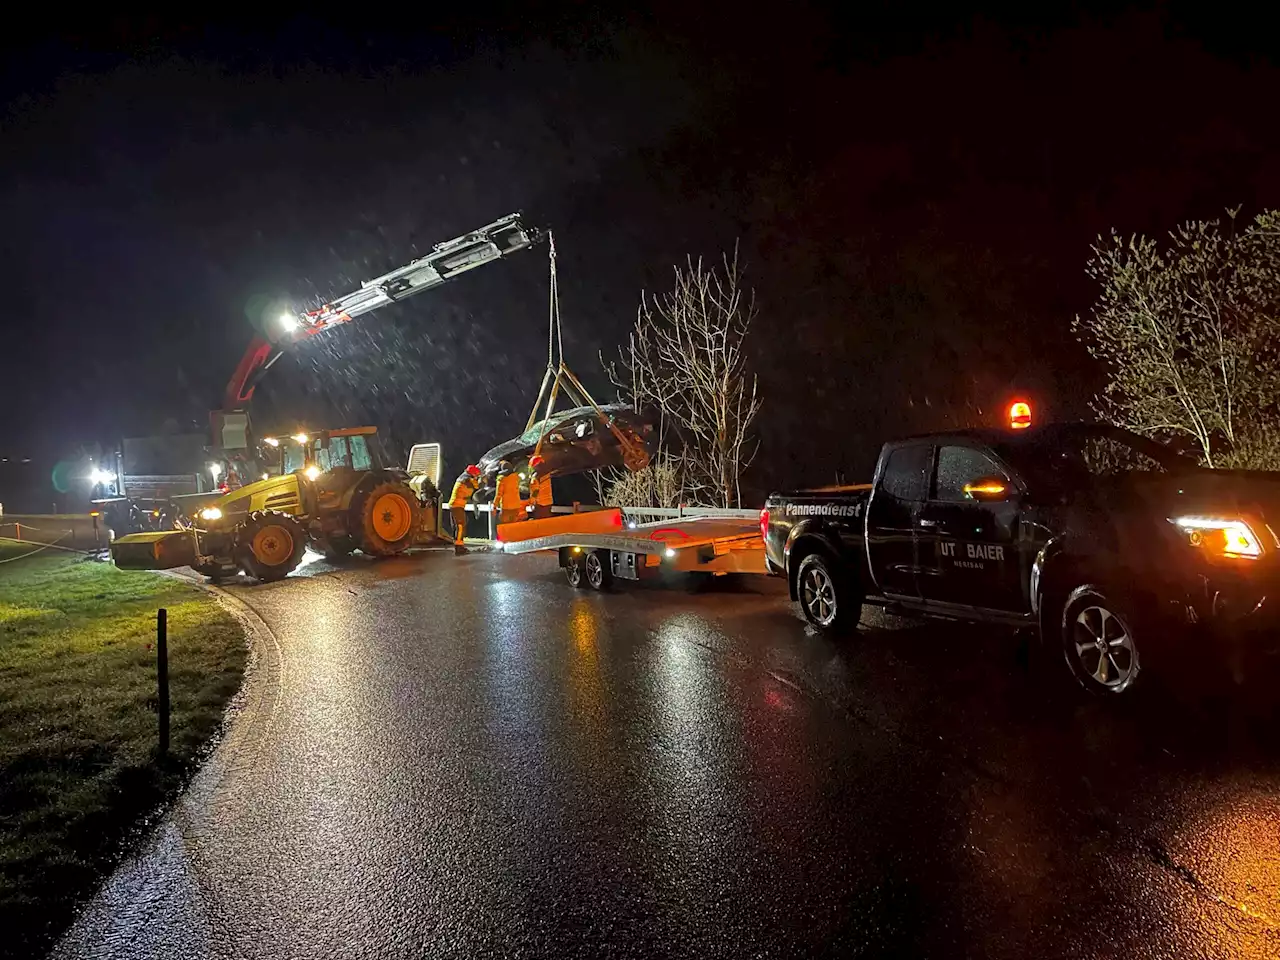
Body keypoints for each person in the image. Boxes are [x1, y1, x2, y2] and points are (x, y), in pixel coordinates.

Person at [449, 464, 481, 554]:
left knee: (460, 525)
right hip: (457, 506)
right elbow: (477, 486)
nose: (477, 476)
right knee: (460, 526)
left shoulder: (463, 478)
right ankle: (459, 547)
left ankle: (459, 545)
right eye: (476, 474)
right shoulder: (467, 479)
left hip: (456, 505)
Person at [493, 460, 524, 525]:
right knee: (514, 525)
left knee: (504, 525)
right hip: (516, 506)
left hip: (506, 507)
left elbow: (498, 495)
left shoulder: (502, 480)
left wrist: (494, 506)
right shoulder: (516, 478)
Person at [528, 455, 554, 519]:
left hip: (540, 503)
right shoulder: (547, 474)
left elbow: (535, 491)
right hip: (548, 501)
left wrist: (532, 501)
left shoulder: (535, 477)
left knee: (540, 520)